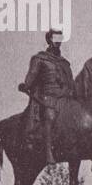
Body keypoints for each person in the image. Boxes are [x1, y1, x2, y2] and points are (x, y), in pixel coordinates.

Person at [18, 29, 76, 167]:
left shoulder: (65, 63)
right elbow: (31, 77)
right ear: (49, 40)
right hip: (46, 97)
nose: (58, 41)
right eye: (55, 38)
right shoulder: (39, 59)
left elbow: (71, 82)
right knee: (50, 115)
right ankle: (48, 153)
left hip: (64, 97)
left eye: (60, 38)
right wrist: (25, 85)